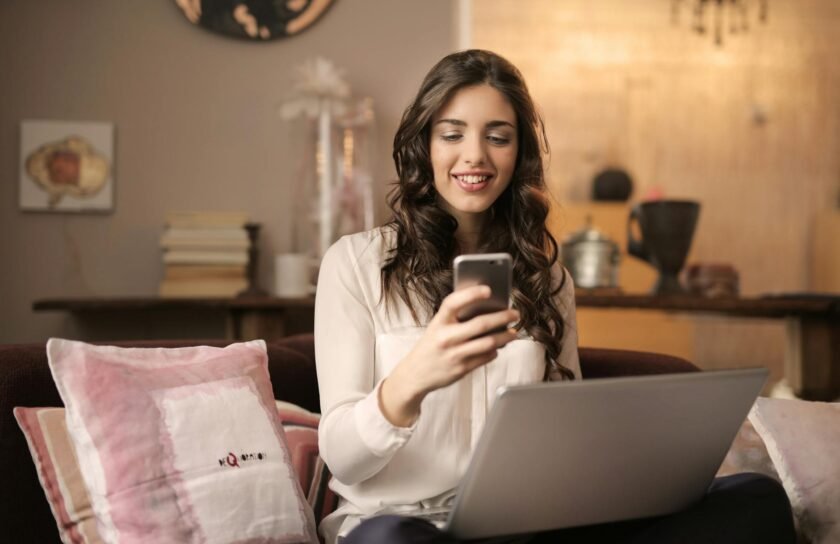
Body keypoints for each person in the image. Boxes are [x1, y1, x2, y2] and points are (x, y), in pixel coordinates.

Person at [314, 49, 795, 544]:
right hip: (400, 526)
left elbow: (564, 435)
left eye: (497, 137)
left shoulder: (549, 280)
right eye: (452, 134)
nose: (475, 155)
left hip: (523, 525)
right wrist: (411, 380)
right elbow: (344, 458)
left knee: (756, 500)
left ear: (518, 153)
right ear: (424, 146)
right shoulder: (356, 264)